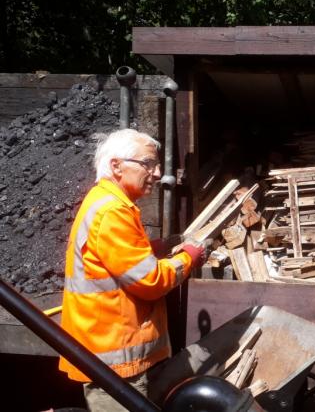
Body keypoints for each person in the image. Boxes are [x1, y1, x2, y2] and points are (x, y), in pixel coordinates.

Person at [58, 128, 209, 411]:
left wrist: (157, 247)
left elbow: (117, 260)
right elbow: (151, 281)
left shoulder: (107, 202)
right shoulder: (113, 211)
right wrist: (189, 258)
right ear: (116, 166)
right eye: (148, 163)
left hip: (111, 352)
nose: (157, 173)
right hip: (114, 363)